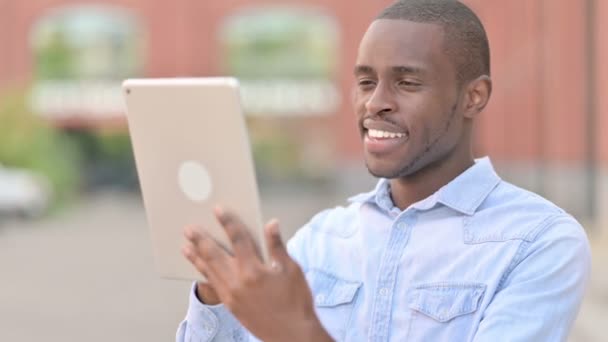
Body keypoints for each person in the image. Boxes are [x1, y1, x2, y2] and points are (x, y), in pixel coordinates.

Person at [176, 0, 591, 341]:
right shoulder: (321, 239)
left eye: (407, 83)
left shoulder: (539, 242)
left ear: (474, 97)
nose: (375, 103)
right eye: (365, 81)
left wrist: (294, 334)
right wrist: (218, 294)